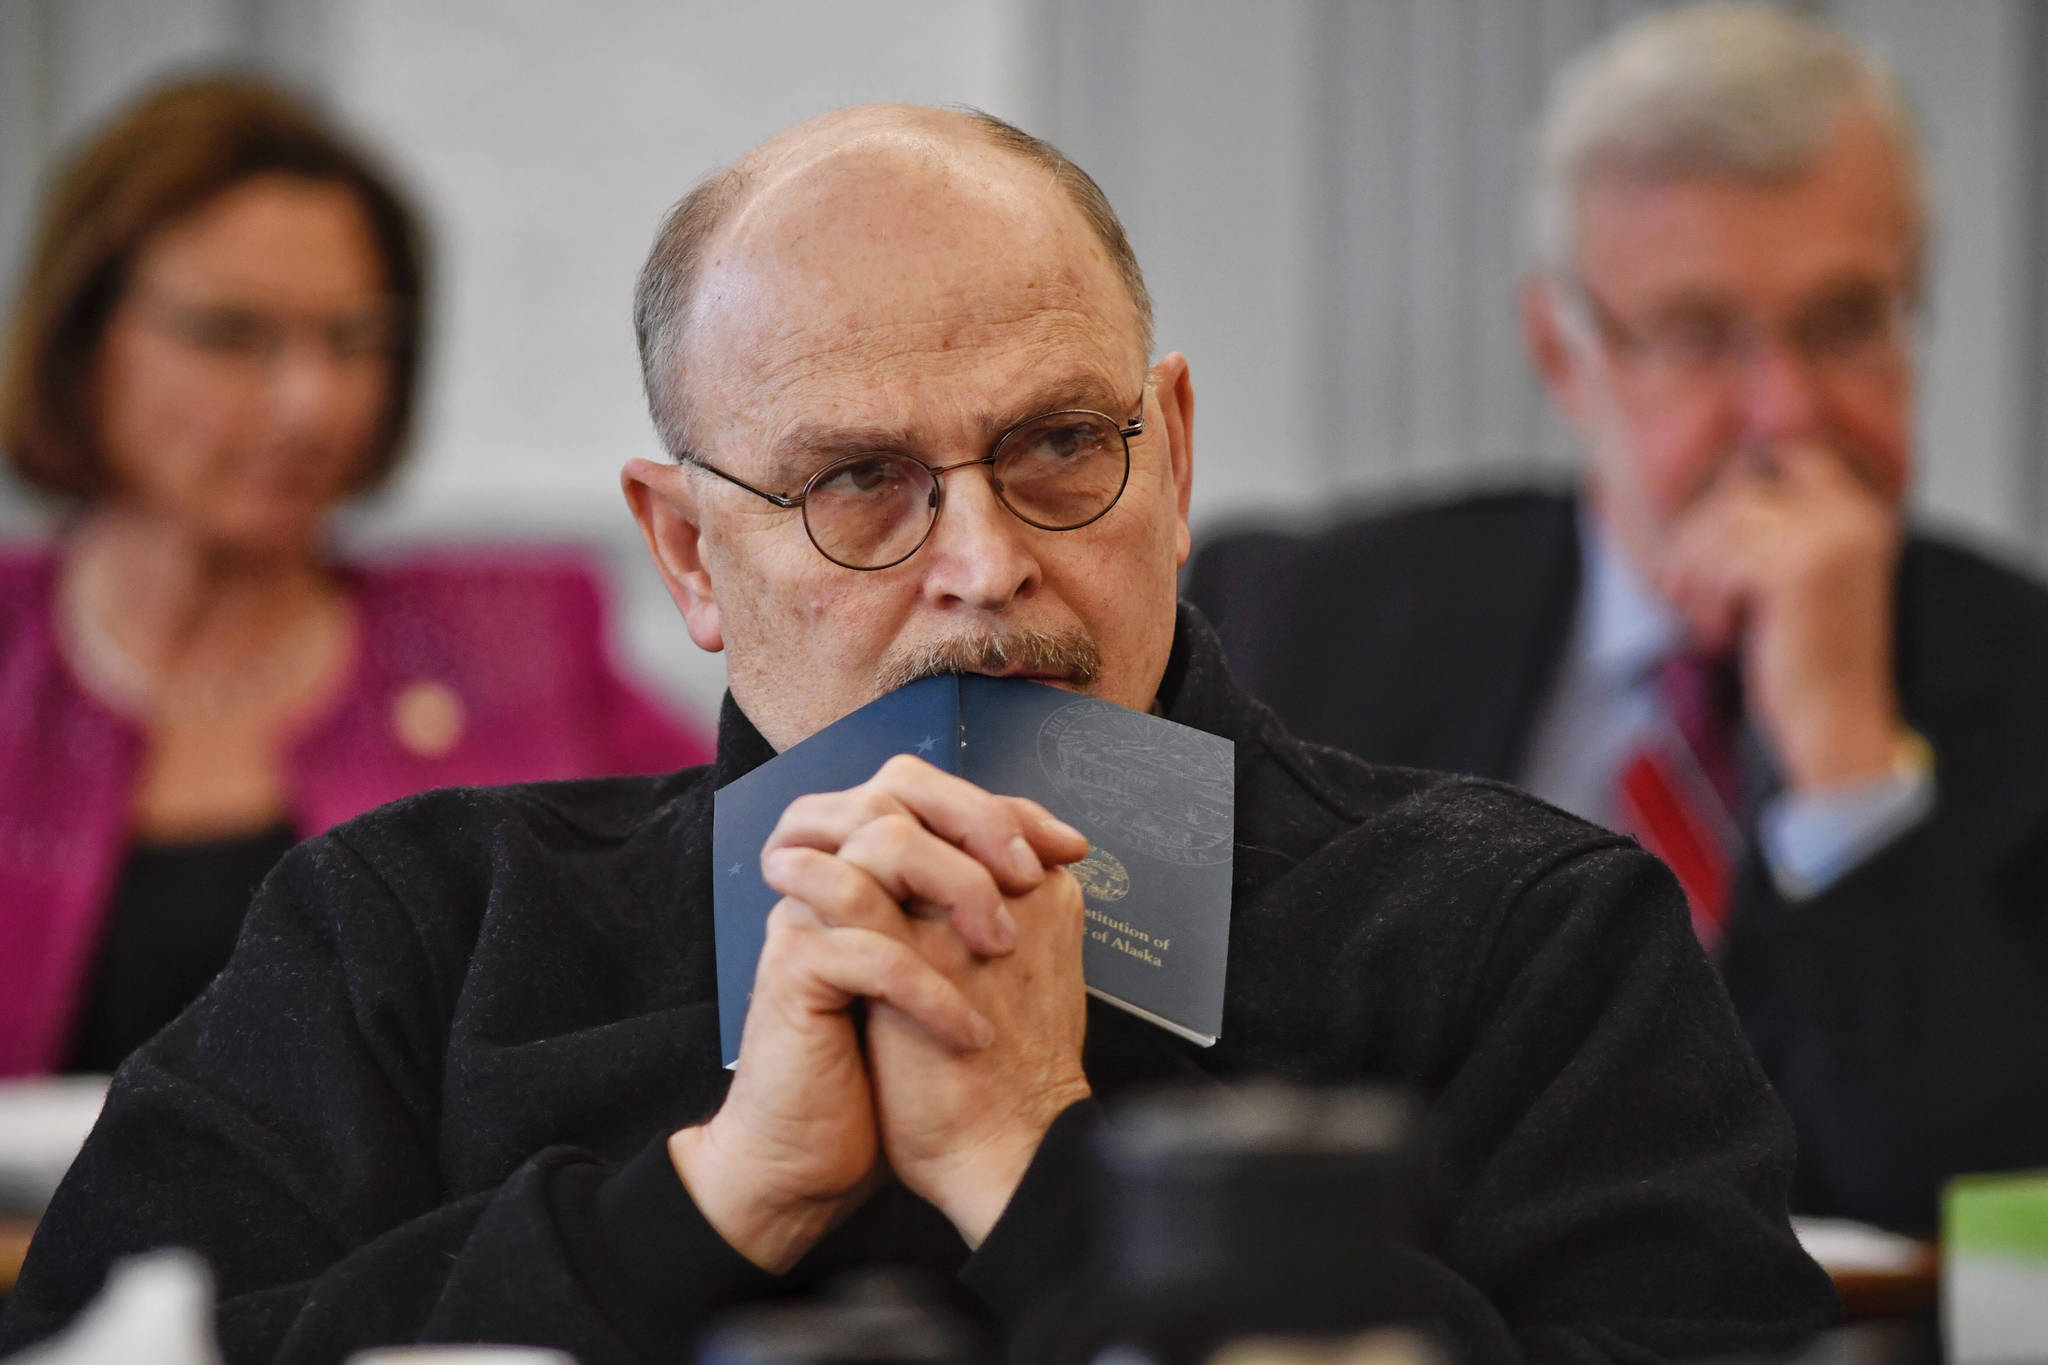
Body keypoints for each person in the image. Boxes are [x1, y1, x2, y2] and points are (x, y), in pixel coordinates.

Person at [0, 104, 1836, 1364]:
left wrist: (1047, 1173)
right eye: (855, 485)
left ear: (1173, 457)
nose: (981, 568)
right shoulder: (412, 933)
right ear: (686, 553)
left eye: (1057, 447)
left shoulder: (1522, 937)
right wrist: (703, 1207)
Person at [1185, 2, 2048, 1237]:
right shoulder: (1294, 625)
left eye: (1844, 323)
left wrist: (1847, 774)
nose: (1783, 414)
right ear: (1561, 352)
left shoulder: (2022, 681)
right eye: (1697, 336)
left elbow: (1994, 1210)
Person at [0, 76, 712, 1078]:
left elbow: (743, 883)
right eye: (233, 335)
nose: (312, 403)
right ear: (81, 340)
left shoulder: (511, 648)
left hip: (420, 1235)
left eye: (354, 340)